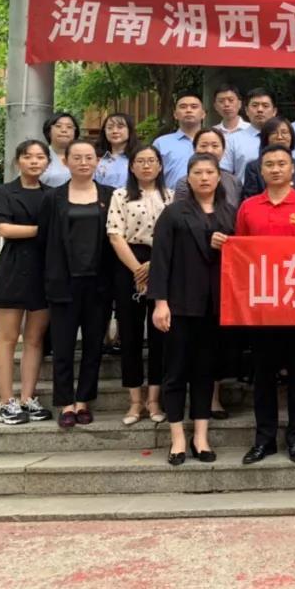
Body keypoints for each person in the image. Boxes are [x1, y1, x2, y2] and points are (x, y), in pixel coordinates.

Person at [235, 145, 295, 465]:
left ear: (292, 169)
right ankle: (265, 440)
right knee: (263, 375)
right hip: (261, 304)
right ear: (260, 171)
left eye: (281, 164)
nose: (275, 169)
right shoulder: (248, 207)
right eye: (269, 164)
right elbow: (240, 254)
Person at [149, 153, 236, 465]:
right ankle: (177, 438)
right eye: (197, 172)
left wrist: (227, 246)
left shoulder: (229, 212)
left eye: (209, 172)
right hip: (179, 304)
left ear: (219, 176)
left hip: (215, 306)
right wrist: (160, 303)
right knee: (175, 372)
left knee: (204, 372)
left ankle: (201, 436)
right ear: (188, 178)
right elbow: (160, 260)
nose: (204, 178)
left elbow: (241, 258)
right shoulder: (174, 212)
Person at [38, 140, 116, 427]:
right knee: (63, 346)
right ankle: (65, 403)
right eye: (77, 158)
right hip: (63, 282)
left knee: (94, 345)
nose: (84, 162)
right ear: (66, 162)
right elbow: (44, 240)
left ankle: (84, 400)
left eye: (89, 157)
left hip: (99, 282)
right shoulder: (53, 198)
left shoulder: (110, 195)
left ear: (97, 161)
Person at [106, 145, 172, 426]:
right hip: (128, 264)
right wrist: (138, 270)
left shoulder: (171, 197)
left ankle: (154, 399)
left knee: (160, 334)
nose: (146, 166)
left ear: (160, 166)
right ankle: (135, 401)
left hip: (163, 263)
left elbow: (175, 236)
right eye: (140, 161)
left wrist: (154, 266)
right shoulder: (120, 195)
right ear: (131, 167)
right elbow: (115, 235)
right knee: (130, 333)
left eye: (151, 161)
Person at [0, 140, 53, 425]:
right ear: (18, 162)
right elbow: (4, 229)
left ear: (47, 162)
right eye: (28, 157)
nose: (34, 161)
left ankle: (28, 398)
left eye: (40, 157)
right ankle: (5, 402)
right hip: (13, 269)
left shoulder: (53, 195)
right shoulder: (2, 192)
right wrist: (44, 230)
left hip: (45, 271)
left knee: (35, 339)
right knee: (7, 337)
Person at [241, 117, 295, 199]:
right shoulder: (253, 167)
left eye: (284, 132)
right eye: (274, 133)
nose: (280, 137)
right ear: (266, 137)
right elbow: (250, 198)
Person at [173, 127, 242, 209]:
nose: (209, 150)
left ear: (223, 150)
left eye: (215, 146)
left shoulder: (234, 181)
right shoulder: (184, 183)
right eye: (203, 146)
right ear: (194, 149)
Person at [153, 93, 207, 190]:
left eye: (194, 107)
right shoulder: (161, 143)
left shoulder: (214, 142)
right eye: (183, 107)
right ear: (175, 115)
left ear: (203, 114)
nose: (188, 110)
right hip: (170, 197)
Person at [227, 87, 279, 178]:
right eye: (255, 105)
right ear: (247, 111)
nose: (260, 110)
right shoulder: (232, 140)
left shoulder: (284, 139)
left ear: (274, 111)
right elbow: (225, 175)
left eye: (265, 106)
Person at [94, 112, 138, 189]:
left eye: (120, 127)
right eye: (110, 128)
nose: (114, 131)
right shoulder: (96, 158)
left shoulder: (138, 156)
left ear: (130, 130)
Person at [40, 111, 80, 188]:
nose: (64, 130)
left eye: (69, 127)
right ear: (48, 131)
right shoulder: (38, 155)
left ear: (75, 132)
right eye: (58, 126)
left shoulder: (84, 156)